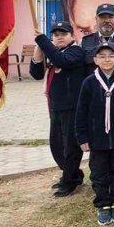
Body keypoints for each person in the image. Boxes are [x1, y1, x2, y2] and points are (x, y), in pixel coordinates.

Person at [75, 43, 114, 225]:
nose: (107, 59)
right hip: (97, 138)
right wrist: (82, 136)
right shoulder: (89, 83)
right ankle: (103, 204)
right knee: (99, 173)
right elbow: (81, 112)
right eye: (102, 56)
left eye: (110, 56)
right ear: (95, 60)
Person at [30, 21, 86, 197]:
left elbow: (63, 61)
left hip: (72, 107)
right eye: (55, 34)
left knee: (70, 147)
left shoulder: (76, 51)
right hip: (55, 107)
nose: (59, 37)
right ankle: (74, 175)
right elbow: (36, 74)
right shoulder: (53, 52)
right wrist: (39, 48)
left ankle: (69, 182)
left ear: (72, 36)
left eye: (63, 33)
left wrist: (43, 41)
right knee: (56, 146)